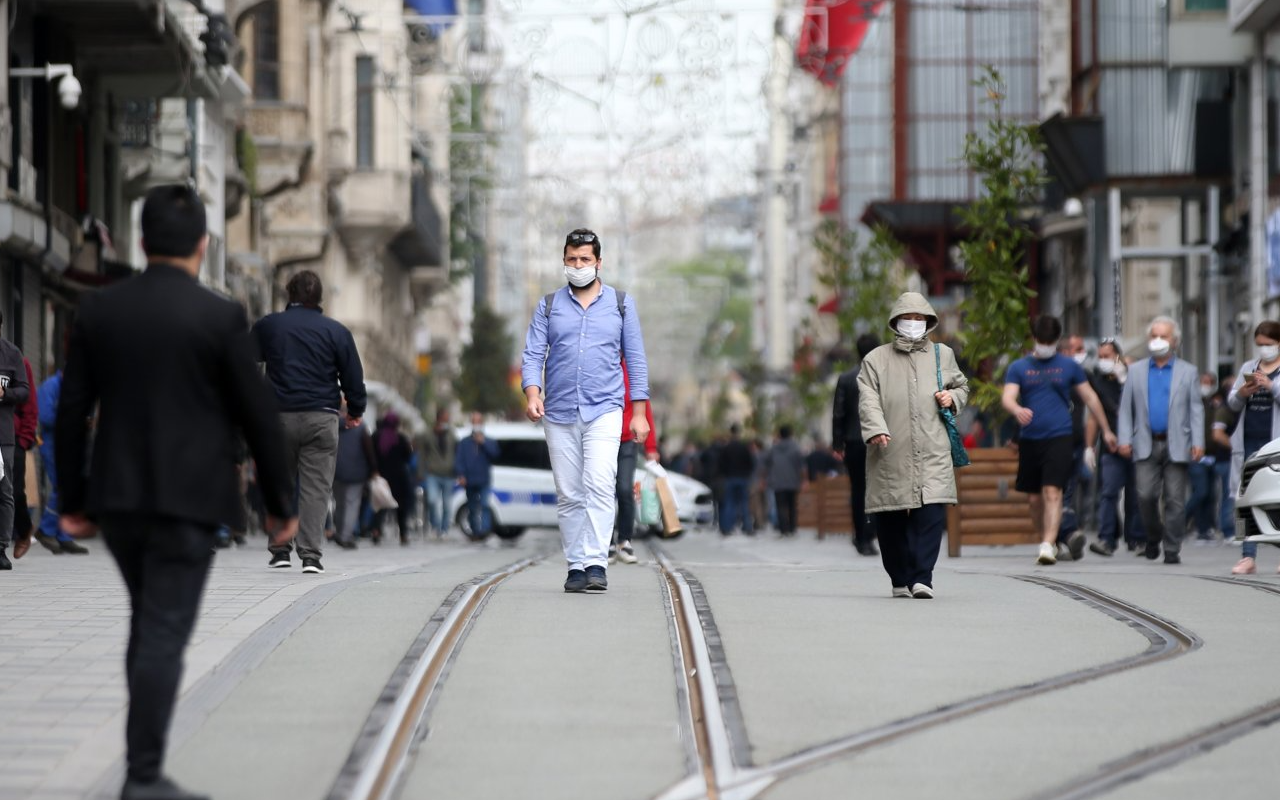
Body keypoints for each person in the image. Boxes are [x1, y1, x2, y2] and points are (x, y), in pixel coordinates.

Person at [55, 184, 296, 800]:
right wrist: (280, 507)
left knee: (148, 622)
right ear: (202, 244)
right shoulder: (219, 316)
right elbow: (257, 414)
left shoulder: (101, 311)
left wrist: (73, 504)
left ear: (139, 242)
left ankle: (144, 768)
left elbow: (75, 407)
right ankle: (142, 778)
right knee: (162, 628)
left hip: (119, 498)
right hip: (190, 498)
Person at [521, 228, 650, 593]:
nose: (578, 266)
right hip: (559, 411)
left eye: (585, 260)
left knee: (598, 483)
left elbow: (636, 360)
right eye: (572, 259)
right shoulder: (548, 305)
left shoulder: (621, 304)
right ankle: (576, 564)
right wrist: (533, 393)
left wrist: (638, 413)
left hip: (606, 408)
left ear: (598, 263)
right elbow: (533, 354)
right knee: (569, 492)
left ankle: (596, 562)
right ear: (564, 261)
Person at [253, 269, 366, 574]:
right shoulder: (337, 332)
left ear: (289, 294)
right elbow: (353, 378)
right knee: (316, 488)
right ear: (320, 299)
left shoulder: (270, 325)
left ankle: (279, 550)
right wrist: (355, 410)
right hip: (322, 418)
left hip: (278, 417)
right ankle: (311, 555)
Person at [858, 292, 969, 599]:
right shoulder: (875, 360)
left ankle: (923, 578)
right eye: (909, 318)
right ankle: (899, 577)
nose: (914, 324)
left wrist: (953, 399)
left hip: (932, 446)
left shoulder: (942, 355)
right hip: (889, 448)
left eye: (920, 319)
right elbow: (868, 399)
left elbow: (961, 386)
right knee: (890, 517)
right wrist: (876, 429)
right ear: (896, 322)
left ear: (929, 322)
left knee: (931, 513)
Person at [1003, 316, 1117, 565]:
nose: (1045, 345)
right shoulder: (1019, 367)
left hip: (1060, 436)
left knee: (1053, 491)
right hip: (1031, 439)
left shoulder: (1069, 367)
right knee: (1034, 499)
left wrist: (1106, 430)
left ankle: (1046, 544)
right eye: (1042, 341)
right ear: (1035, 339)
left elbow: (1091, 398)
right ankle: (1050, 540)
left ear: (1056, 341)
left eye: (1050, 341)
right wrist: (1016, 410)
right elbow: (1008, 397)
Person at [1117, 316, 1204, 564]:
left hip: (1177, 443)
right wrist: (1125, 438)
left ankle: (1172, 547)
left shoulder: (1188, 372)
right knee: (1144, 496)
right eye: (1154, 336)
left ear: (1174, 341)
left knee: (1175, 499)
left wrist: (1198, 442)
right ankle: (1153, 536)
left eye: (1163, 336)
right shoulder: (1135, 371)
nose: (1158, 341)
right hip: (1145, 442)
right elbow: (1125, 409)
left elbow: (1196, 409)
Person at [1227, 320, 1280, 574]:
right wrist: (1243, 392)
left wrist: (1272, 386)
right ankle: (1247, 556)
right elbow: (1232, 401)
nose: (1263, 349)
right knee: (1246, 498)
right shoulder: (1249, 367)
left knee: (1277, 498)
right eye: (1260, 345)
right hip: (1249, 441)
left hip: (1276, 443)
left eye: (1268, 345)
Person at [1085, 338, 1145, 556]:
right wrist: (1089, 446)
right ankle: (1106, 539)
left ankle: (1136, 539)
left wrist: (1124, 381)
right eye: (1100, 356)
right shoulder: (1097, 381)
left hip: (1137, 444)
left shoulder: (1134, 376)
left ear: (1118, 356)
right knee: (1108, 492)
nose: (1103, 361)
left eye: (1107, 356)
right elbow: (1094, 415)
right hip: (1111, 445)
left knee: (1135, 494)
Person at [833, 333, 881, 556]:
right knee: (877, 491)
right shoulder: (882, 377)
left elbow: (838, 414)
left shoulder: (845, 378)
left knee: (858, 490)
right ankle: (870, 535)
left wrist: (837, 443)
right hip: (878, 440)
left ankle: (860, 537)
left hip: (853, 442)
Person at [611, 359, 656, 563]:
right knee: (602, 490)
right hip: (602, 438)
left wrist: (651, 448)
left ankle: (624, 540)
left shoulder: (632, 370)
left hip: (628, 441)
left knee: (624, 489)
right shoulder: (601, 364)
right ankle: (606, 541)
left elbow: (645, 410)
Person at [0, 312, 30, 570]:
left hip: (2, 435)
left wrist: (4, 393)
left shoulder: (11, 354)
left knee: (4, 490)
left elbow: (24, 391)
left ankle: (1, 548)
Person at [1058, 334, 1090, 541]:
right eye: (1073, 349)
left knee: (1069, 490)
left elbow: (1096, 401)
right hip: (1054, 440)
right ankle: (1066, 533)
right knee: (1060, 491)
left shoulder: (1081, 374)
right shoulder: (1052, 374)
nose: (1077, 354)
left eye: (1080, 349)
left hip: (1076, 441)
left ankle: (1066, 533)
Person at [1186, 371, 1224, 544]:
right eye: (1203, 382)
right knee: (1200, 492)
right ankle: (1180, 521)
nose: (1206, 386)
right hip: (1195, 455)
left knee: (1210, 495)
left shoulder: (1216, 404)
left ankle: (1204, 530)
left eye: (1210, 382)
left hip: (1213, 455)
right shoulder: (1191, 403)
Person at [332, 406, 377, 549]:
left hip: (335, 470)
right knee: (351, 504)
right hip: (357, 472)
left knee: (339, 503)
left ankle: (339, 532)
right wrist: (373, 469)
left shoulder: (333, 426)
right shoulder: (361, 427)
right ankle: (345, 536)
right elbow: (369, 449)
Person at [455, 411, 499, 540]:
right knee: (472, 507)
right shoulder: (464, 442)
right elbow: (459, 459)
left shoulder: (489, 441)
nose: (476, 424)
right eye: (474, 421)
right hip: (469, 480)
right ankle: (475, 531)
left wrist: (483, 443)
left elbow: (495, 455)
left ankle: (484, 531)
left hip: (484, 479)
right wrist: (461, 475)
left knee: (485, 504)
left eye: (478, 421)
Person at [373, 411, 414, 545]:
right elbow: (408, 457)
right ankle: (403, 534)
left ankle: (376, 530)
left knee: (380, 505)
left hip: (381, 476)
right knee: (400, 507)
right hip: (399, 477)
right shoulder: (401, 438)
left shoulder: (376, 437)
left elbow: (371, 456)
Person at [419, 408, 457, 538]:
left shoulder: (452, 434)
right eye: (445, 418)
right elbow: (423, 454)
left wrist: (458, 470)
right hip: (432, 473)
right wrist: (421, 471)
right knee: (432, 500)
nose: (447, 421)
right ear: (439, 419)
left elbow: (457, 452)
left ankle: (444, 529)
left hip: (448, 474)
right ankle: (435, 525)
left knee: (447, 504)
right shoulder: (428, 434)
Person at [763, 425, 805, 536]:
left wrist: (766, 477)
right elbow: (801, 465)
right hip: (793, 481)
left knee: (780, 505)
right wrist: (803, 480)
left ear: (780, 435)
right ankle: (792, 527)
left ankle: (783, 529)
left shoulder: (773, 448)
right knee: (792, 505)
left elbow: (766, 464)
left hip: (777, 481)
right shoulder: (795, 447)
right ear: (790, 434)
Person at [718, 423, 755, 536]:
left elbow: (721, 464)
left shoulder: (726, 448)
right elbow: (751, 462)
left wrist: (726, 474)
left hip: (730, 478)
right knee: (744, 503)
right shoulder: (744, 447)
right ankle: (747, 527)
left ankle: (727, 527)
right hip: (743, 478)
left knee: (729, 503)